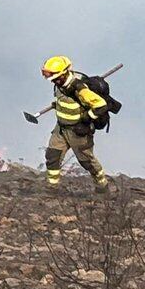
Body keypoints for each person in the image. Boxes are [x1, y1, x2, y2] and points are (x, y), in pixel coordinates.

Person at [33, 56, 113, 191]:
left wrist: (87, 119)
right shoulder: (59, 84)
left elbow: (101, 105)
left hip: (78, 131)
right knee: (52, 156)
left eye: (52, 76)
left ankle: (102, 186)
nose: (50, 79)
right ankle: (52, 188)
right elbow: (66, 101)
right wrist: (58, 105)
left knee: (87, 161)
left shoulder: (79, 88)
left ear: (62, 74)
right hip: (61, 129)